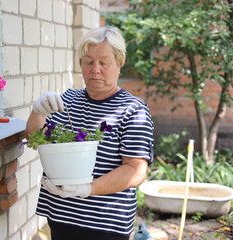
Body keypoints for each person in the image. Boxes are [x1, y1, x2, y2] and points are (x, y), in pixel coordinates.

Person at [25, 26, 154, 240]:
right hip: (61, 218)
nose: (95, 69)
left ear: (119, 63)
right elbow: (34, 139)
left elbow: (135, 170)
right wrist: (37, 112)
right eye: (88, 62)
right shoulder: (67, 100)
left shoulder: (132, 109)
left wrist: (87, 189)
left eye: (104, 63)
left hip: (105, 226)